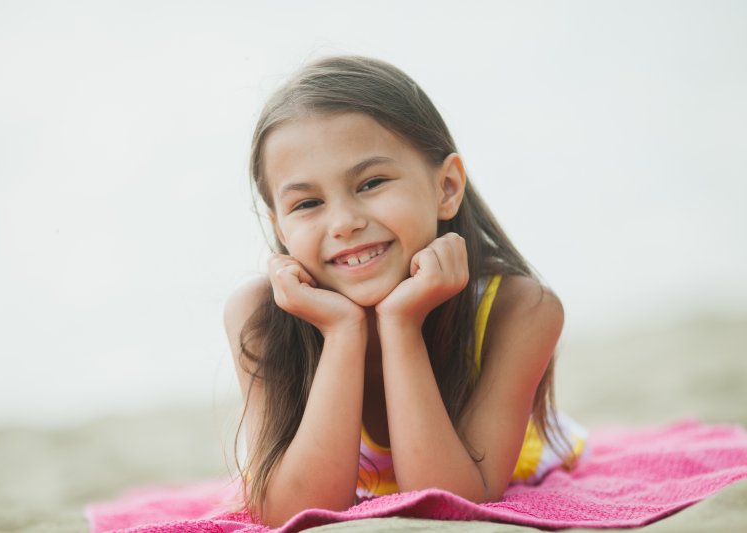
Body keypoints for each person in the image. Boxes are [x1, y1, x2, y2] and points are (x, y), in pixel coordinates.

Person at [224, 55, 586, 527]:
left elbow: (448, 502)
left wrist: (400, 323)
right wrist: (341, 332)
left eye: (371, 183)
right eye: (308, 203)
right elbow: (292, 513)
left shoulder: (520, 309)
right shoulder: (258, 315)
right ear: (280, 226)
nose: (345, 223)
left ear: (447, 187)